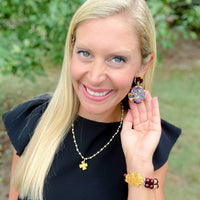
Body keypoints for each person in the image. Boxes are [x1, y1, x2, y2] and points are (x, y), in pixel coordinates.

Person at [2, 0, 181, 199]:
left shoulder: (149, 141)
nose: (95, 77)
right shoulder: (33, 121)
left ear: (143, 65)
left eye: (117, 59)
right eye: (85, 53)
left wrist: (140, 164)